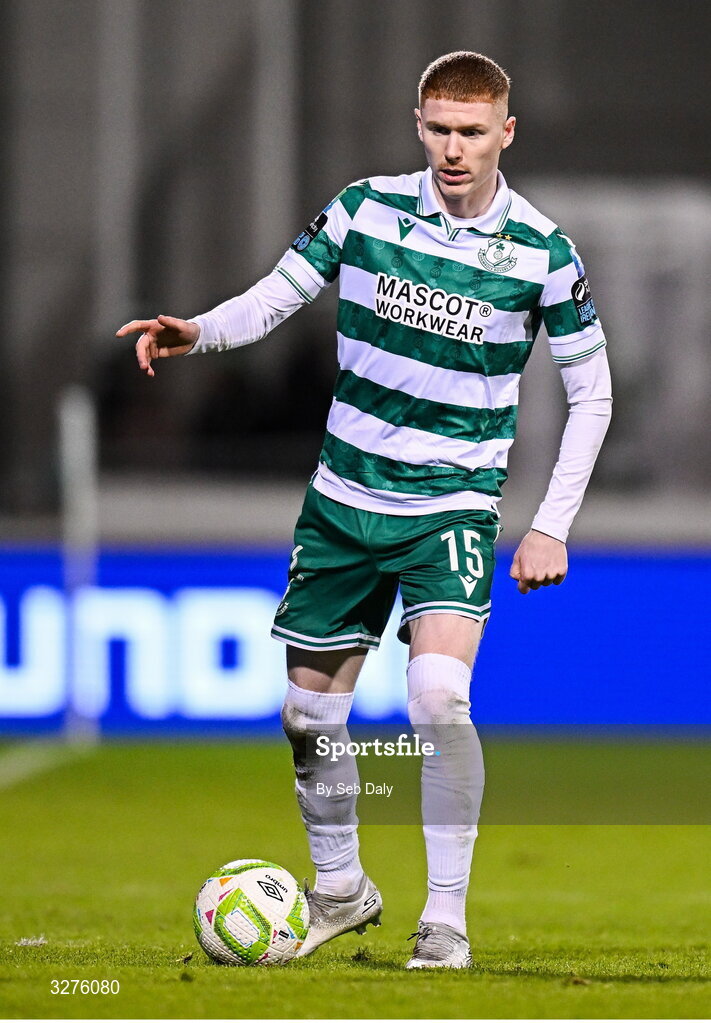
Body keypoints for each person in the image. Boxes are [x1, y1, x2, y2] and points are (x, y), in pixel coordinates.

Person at [117, 51, 612, 969]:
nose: (454, 149)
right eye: (439, 129)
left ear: (505, 133)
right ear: (417, 124)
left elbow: (592, 395)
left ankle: (445, 922)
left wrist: (551, 521)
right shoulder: (362, 209)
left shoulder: (543, 252)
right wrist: (198, 331)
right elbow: (274, 298)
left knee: (438, 699)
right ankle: (341, 889)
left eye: (472, 132)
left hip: (449, 506)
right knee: (307, 718)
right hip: (342, 502)